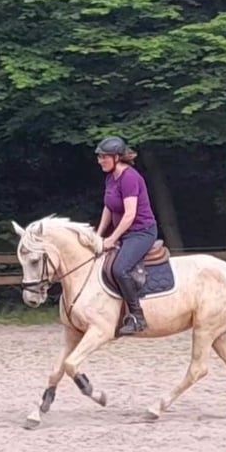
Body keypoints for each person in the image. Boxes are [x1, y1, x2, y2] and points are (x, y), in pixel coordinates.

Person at [94, 136, 158, 336]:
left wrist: (112, 239)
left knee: (120, 268)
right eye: (100, 157)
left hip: (141, 232)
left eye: (104, 157)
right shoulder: (110, 177)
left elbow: (130, 214)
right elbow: (108, 207)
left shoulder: (130, 178)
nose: (100, 161)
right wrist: (98, 235)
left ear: (117, 157)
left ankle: (137, 317)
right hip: (126, 234)